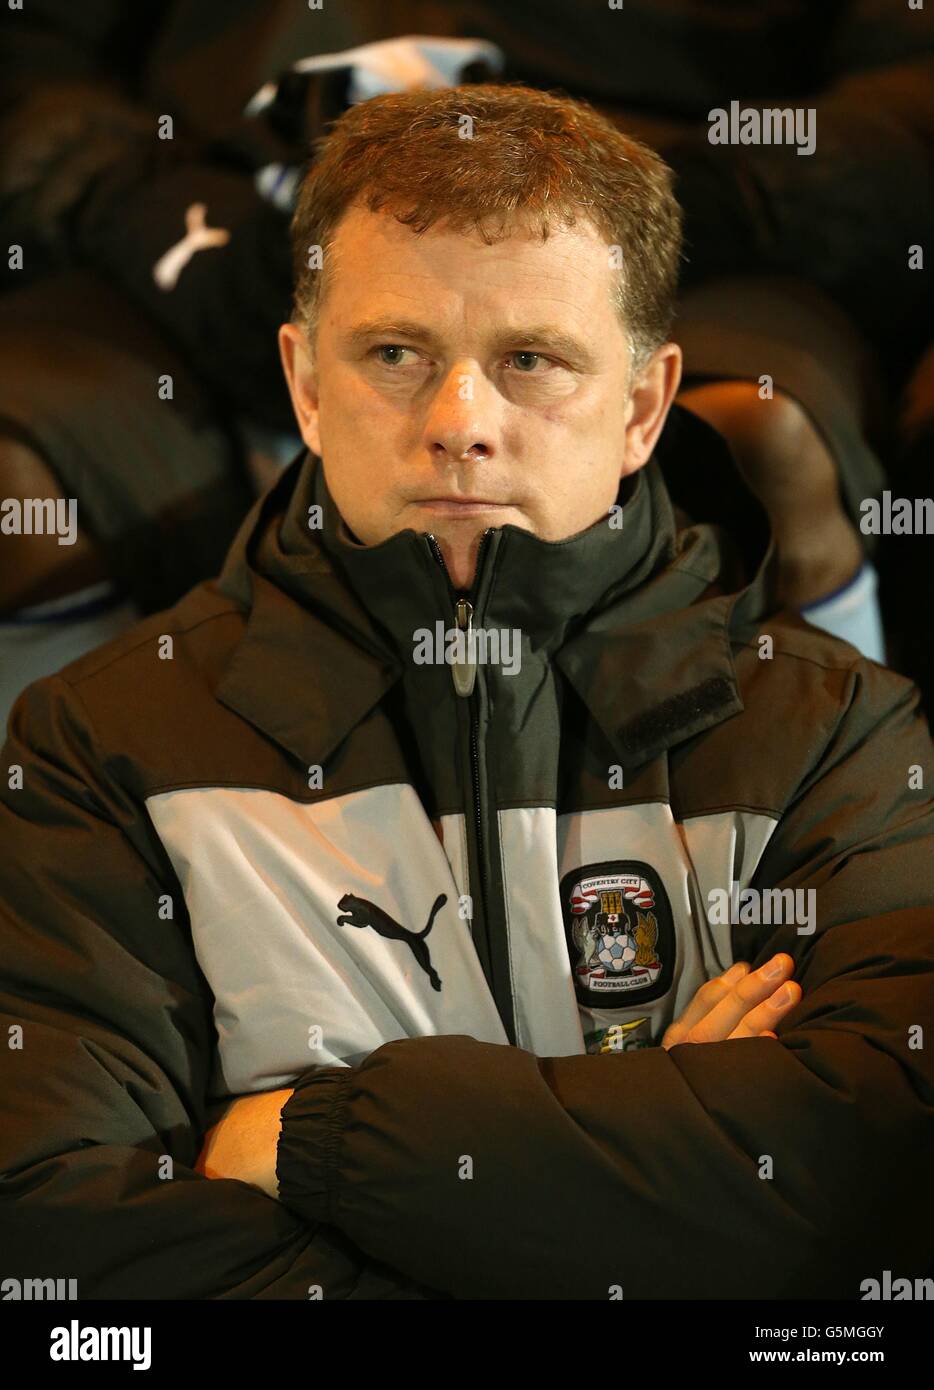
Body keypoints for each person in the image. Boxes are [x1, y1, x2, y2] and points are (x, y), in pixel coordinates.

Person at [1, 84, 932, 1300]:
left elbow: (872, 1198)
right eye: (395, 354)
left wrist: (304, 1143)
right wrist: (656, 1165)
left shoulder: (833, 730)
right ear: (303, 383)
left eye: (531, 361)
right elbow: (65, 1252)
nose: (458, 424)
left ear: (645, 405)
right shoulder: (99, 741)